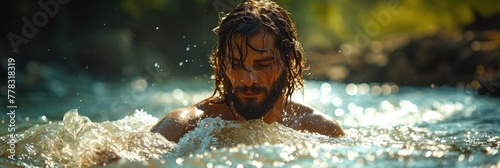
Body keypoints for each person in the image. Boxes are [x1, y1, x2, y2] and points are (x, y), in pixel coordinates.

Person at [150, 0, 345, 143]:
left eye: (262, 65)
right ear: (222, 63)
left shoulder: (321, 130)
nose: (248, 79)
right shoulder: (185, 126)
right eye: (236, 64)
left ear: (289, 60)